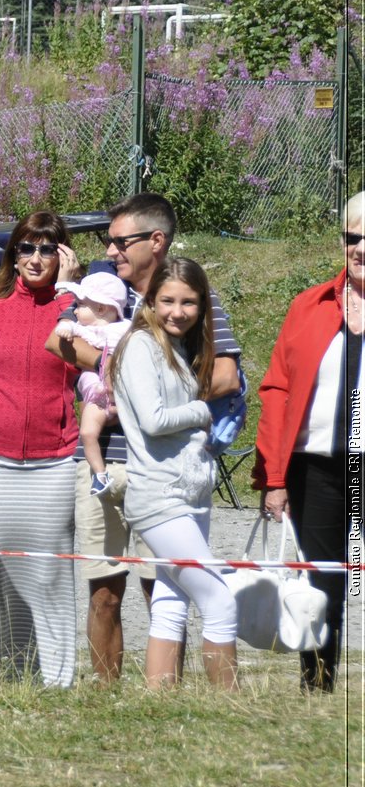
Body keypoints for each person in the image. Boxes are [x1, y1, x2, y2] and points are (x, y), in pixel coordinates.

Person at [45, 193, 244, 683]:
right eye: (108, 242)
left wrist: (153, 379)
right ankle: (109, 695)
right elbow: (57, 341)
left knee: (167, 590)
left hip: (171, 466)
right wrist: (123, 372)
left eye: (119, 241)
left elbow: (227, 376)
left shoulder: (191, 291)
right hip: (105, 458)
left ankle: (165, 695)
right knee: (104, 590)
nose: (110, 251)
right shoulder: (101, 289)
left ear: (156, 241)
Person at [0, 211, 81, 686]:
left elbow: (91, 362)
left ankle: (57, 680)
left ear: (64, 254)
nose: (35, 257)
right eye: (26, 247)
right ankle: (4, 679)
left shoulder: (81, 308)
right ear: (13, 254)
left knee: (49, 575)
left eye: (48, 248)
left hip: (55, 461)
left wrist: (70, 296)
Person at [252, 190, 365, 693]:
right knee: (322, 586)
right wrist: (274, 477)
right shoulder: (310, 305)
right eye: (351, 237)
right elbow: (276, 389)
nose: (359, 247)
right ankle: (317, 684)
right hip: (317, 468)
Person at [109, 257, 237, 689]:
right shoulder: (141, 345)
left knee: (171, 598)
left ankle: (158, 699)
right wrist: (205, 409)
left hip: (191, 492)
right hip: (160, 497)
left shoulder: (179, 346)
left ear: (202, 306)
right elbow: (153, 419)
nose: (176, 311)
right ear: (151, 299)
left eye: (189, 302)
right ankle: (232, 703)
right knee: (218, 597)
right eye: (167, 300)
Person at [52, 271, 130, 494]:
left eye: (80, 305)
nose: (74, 311)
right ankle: (100, 474)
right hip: (98, 397)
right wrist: (66, 327)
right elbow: (65, 330)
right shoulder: (83, 328)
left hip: (126, 394)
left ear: (102, 308)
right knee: (87, 433)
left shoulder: (127, 328)